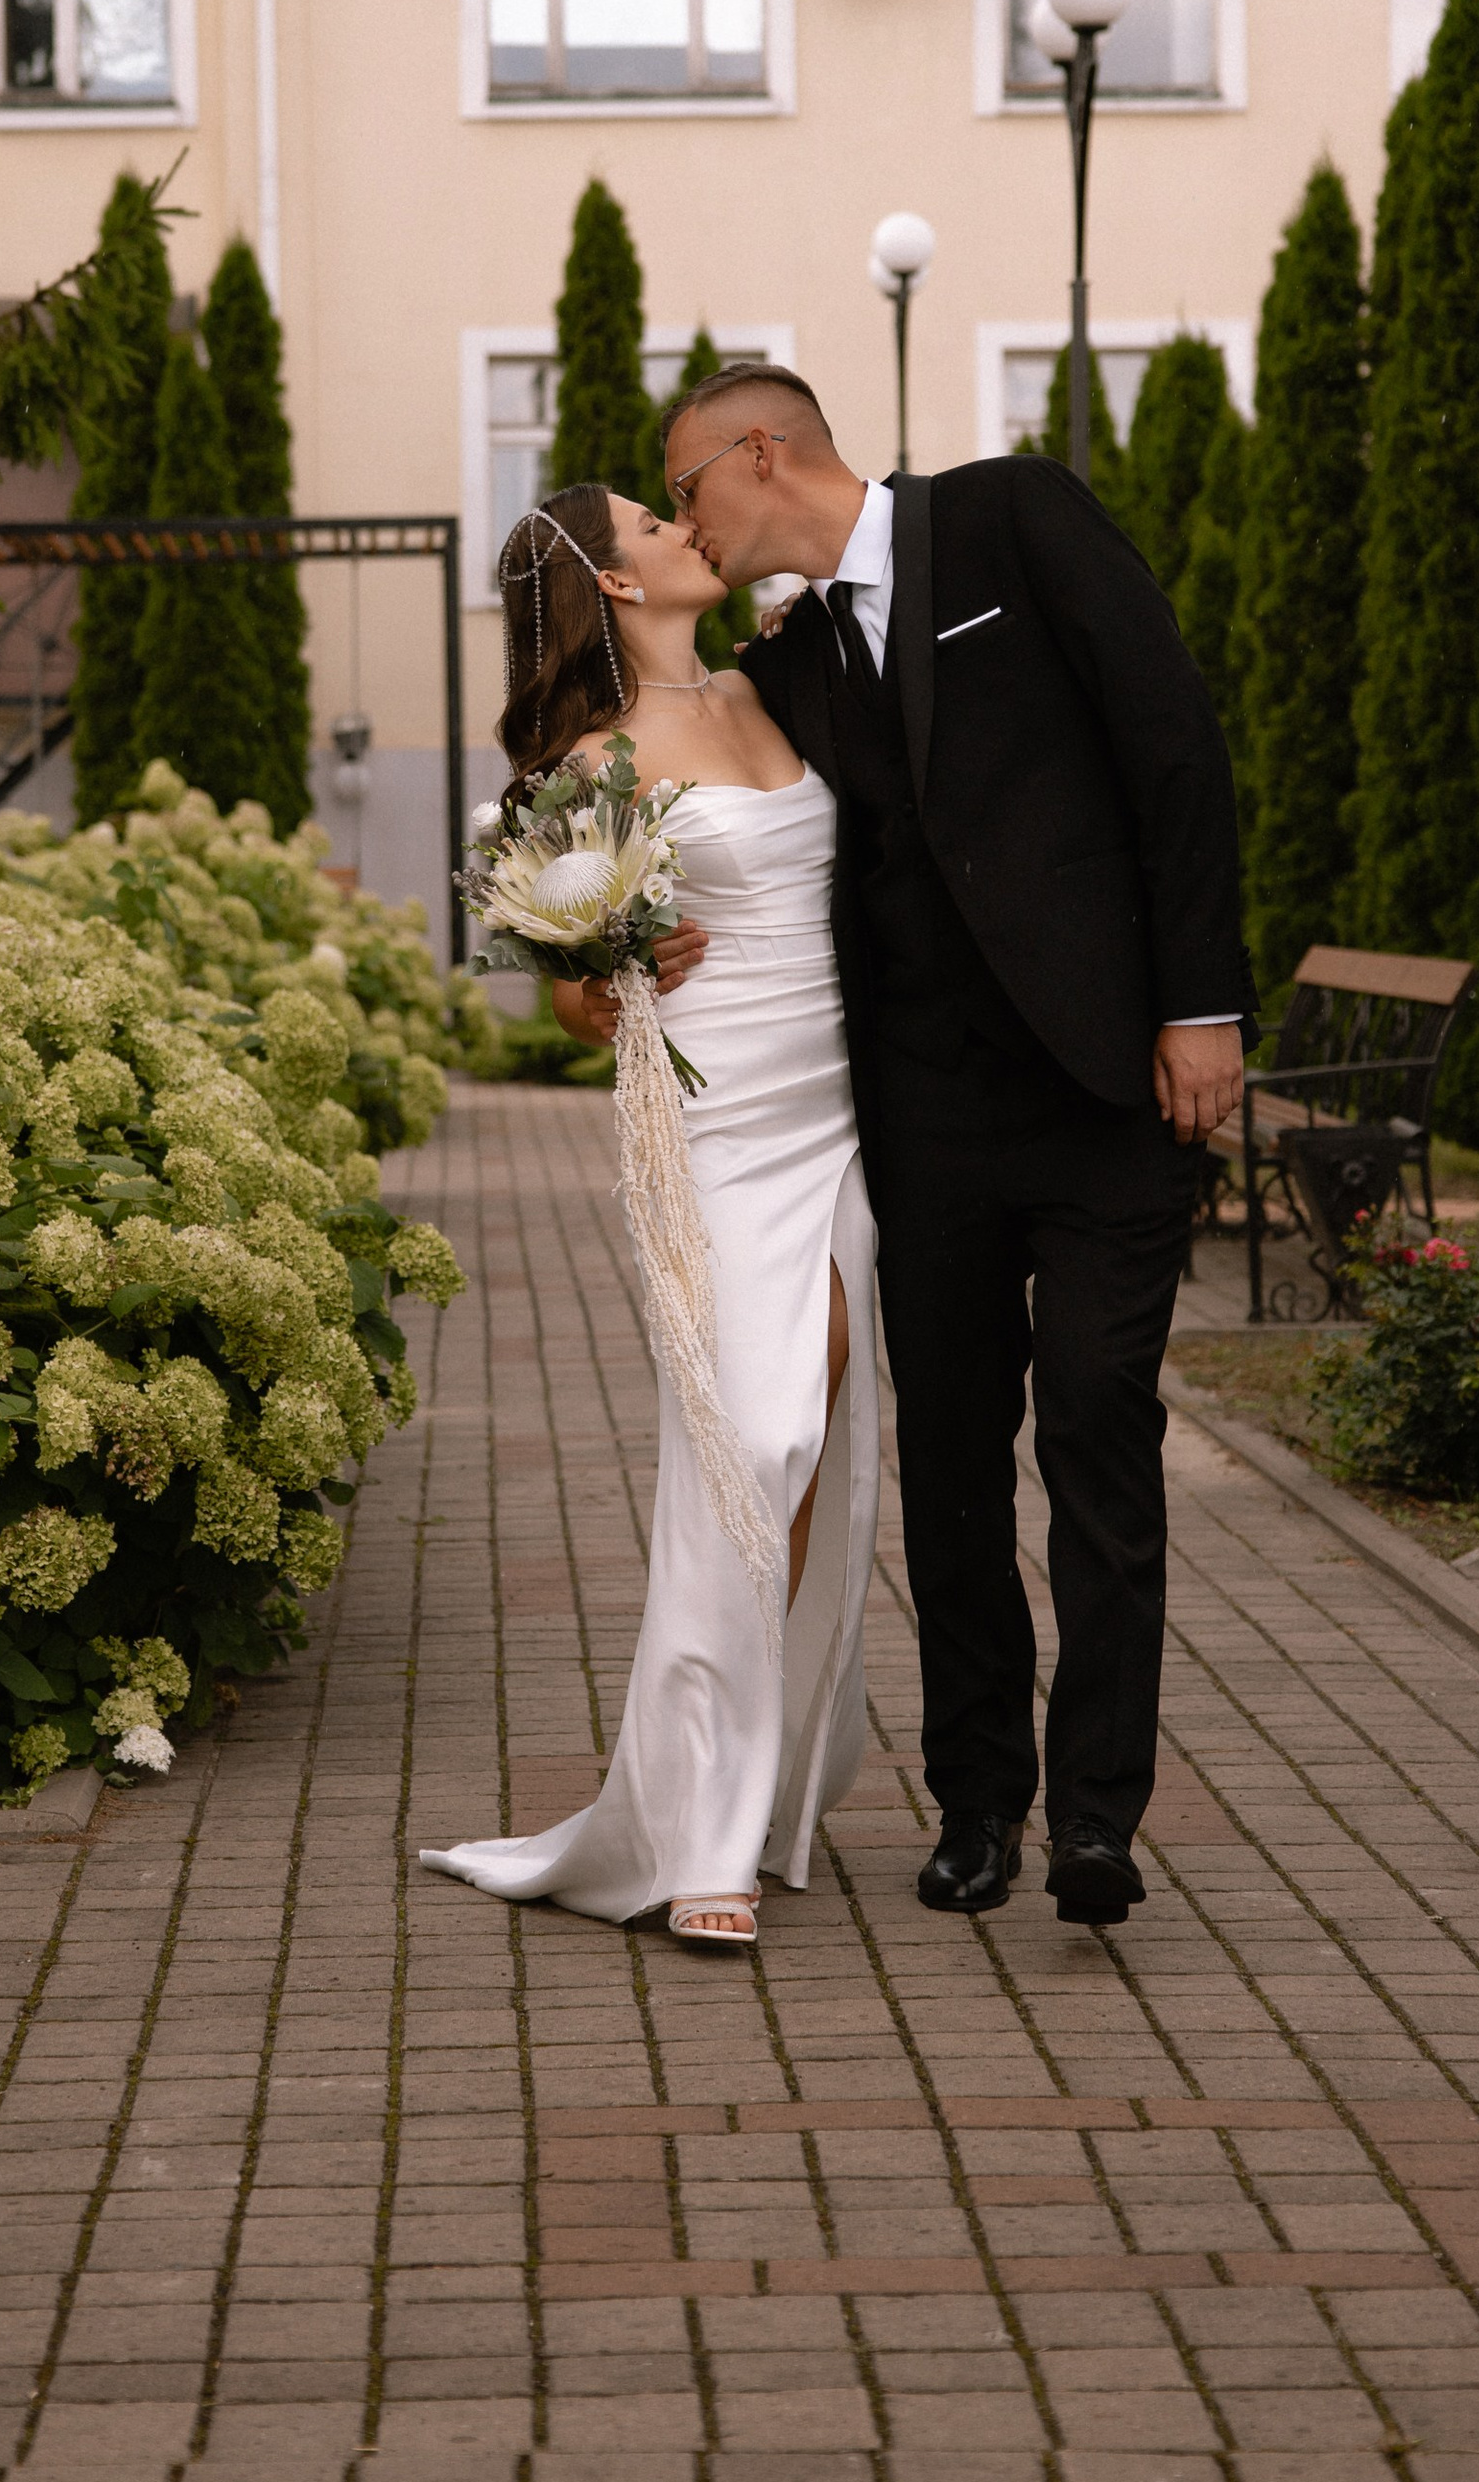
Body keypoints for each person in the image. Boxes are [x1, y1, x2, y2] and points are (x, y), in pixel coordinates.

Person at [659, 365, 1251, 1929]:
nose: (686, 525)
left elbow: (1173, 747)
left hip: (1107, 1088)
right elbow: (736, 831)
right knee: (952, 1471)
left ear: (762, 451)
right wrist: (628, 946)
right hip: (923, 1123)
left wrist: (1201, 1004)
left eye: (690, 490)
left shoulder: (1013, 517)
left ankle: (1100, 1818)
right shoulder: (780, 663)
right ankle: (981, 1798)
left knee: (1101, 1432)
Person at [418, 483, 881, 1953]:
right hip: (718, 1129)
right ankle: (695, 1823)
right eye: (653, 522)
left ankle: (755, 1778)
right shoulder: (581, 766)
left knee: (810, 1443)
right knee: (752, 1438)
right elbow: (564, 1001)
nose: (688, 526)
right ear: (614, 585)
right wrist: (622, 960)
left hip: (853, 1112)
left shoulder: (779, 679)